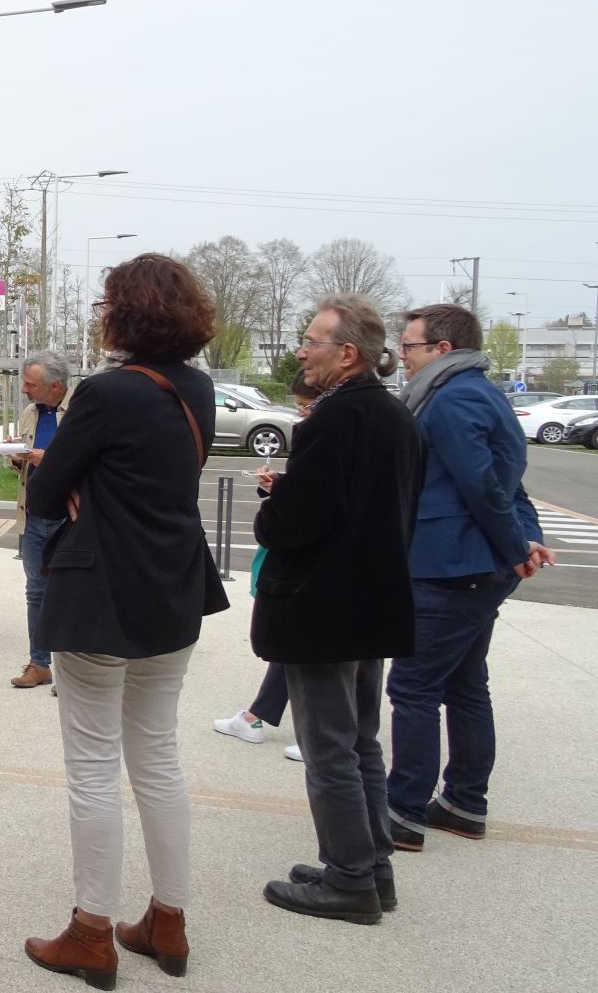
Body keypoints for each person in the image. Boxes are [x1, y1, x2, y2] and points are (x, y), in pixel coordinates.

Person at [21, 253, 228, 987]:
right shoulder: (196, 388)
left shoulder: (107, 393)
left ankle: (91, 930)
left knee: (92, 767)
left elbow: (45, 492)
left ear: (123, 313)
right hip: (173, 591)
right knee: (159, 757)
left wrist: (74, 485)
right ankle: (167, 920)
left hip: (101, 591)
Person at [254, 294, 423, 925]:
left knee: (328, 750)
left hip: (323, 608)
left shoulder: (334, 421)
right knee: (360, 744)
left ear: (347, 353)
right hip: (371, 605)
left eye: (312, 341)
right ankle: (371, 867)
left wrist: (274, 505)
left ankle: (350, 881)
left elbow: (296, 522)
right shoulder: (397, 418)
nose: (302, 351)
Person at [386, 303, 553, 851]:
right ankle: (463, 803)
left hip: (451, 568)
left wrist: (515, 549)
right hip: (472, 566)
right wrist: (524, 541)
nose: (402, 357)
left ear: (442, 350)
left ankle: (404, 815)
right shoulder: (478, 394)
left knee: (413, 688)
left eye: (409, 346)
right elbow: (510, 483)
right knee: (464, 685)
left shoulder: (453, 399)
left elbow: (484, 486)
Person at [213, 371, 324, 765]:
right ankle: (261, 717)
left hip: (312, 564)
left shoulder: (329, 434)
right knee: (304, 645)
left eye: (305, 407)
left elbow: (315, 502)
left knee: (308, 646)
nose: (301, 416)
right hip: (321, 564)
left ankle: (317, 735)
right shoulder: (339, 431)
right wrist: (278, 486)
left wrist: (277, 503)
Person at [6, 350, 71, 688]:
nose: (25, 390)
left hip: (70, 519)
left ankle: (72, 673)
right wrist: (17, 458)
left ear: (55, 385)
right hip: (32, 516)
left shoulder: (81, 412)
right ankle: (39, 664)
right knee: (36, 591)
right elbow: (25, 463)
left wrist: (52, 459)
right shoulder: (31, 412)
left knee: (73, 593)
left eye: (31, 385)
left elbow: (89, 464)